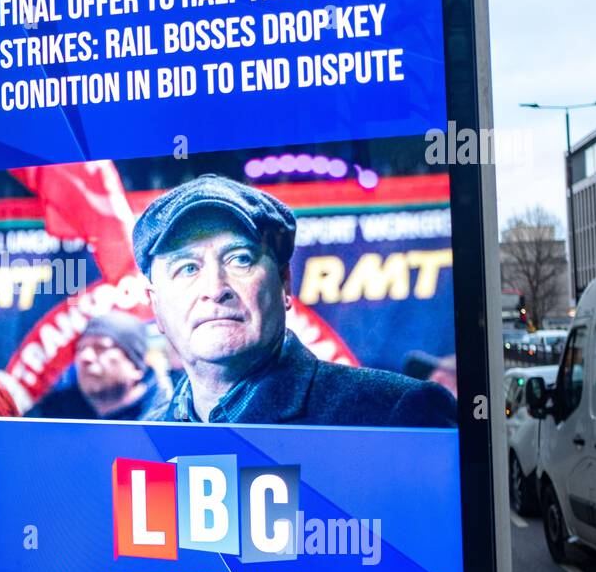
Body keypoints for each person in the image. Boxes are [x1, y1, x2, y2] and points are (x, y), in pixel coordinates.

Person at [133, 174, 457, 427]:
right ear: (156, 307)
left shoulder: (397, 413)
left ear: (284, 283)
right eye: (187, 268)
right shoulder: (141, 440)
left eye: (240, 259)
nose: (215, 288)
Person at [27, 313, 165, 420]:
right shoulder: (52, 412)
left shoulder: (167, 415)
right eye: (81, 348)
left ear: (135, 366)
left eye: (101, 348)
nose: (86, 357)